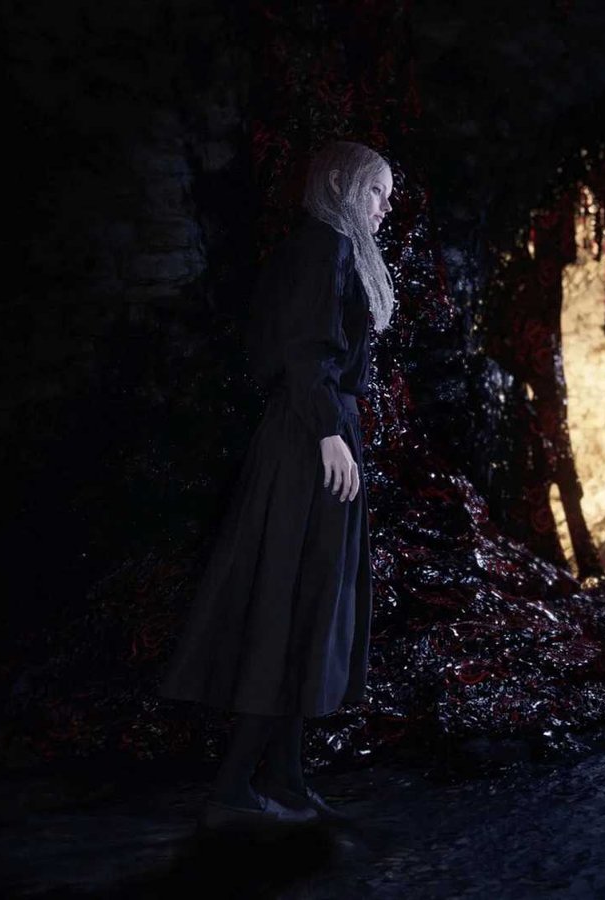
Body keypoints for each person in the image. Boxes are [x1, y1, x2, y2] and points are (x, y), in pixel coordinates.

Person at [158, 140, 398, 830]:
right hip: (308, 438)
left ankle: (285, 778)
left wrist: (334, 429)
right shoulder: (324, 247)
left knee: (313, 599)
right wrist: (327, 432)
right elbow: (302, 350)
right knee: (288, 599)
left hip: (320, 431)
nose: (385, 208)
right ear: (342, 184)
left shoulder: (331, 248)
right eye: (376, 191)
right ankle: (234, 784)